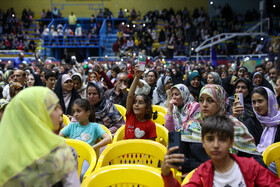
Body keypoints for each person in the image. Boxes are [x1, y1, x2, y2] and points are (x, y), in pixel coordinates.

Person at [161, 116, 280, 186]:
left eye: (222, 139)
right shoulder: (201, 175)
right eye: (210, 139)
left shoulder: (250, 167)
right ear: (203, 142)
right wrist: (166, 175)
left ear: (231, 142)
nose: (216, 145)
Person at [0, 87, 79, 186]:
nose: (59, 113)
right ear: (38, 115)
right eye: (54, 108)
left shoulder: (5, 152)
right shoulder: (61, 153)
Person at [178, 84, 264, 173]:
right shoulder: (191, 126)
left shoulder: (234, 127)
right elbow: (176, 158)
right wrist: (206, 167)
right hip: (198, 177)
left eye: (210, 100)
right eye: (201, 100)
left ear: (220, 102)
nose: (204, 105)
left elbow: (258, 162)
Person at [245, 87, 280, 174]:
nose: (256, 105)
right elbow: (249, 151)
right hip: (258, 169)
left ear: (270, 101)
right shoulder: (250, 123)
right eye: (254, 102)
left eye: (260, 101)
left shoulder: (278, 121)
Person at [124, 66, 157, 140]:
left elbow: (152, 146)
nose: (136, 105)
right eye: (135, 102)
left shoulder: (151, 125)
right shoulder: (130, 116)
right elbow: (130, 95)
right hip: (127, 151)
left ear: (147, 108)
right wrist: (136, 77)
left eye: (141, 102)